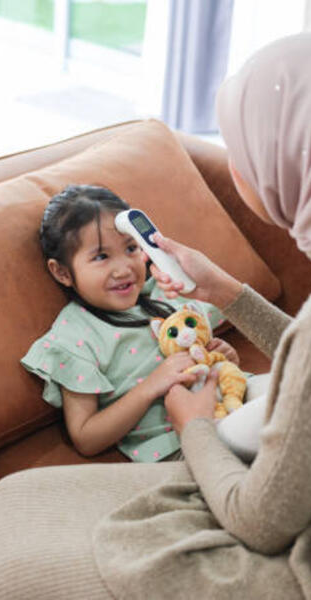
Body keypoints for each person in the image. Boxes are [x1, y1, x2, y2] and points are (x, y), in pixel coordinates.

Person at [0, 32, 311, 599]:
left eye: (243, 147)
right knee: (12, 499)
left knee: (11, 565)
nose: (237, 165)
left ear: (306, 161)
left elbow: (258, 522)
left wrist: (192, 422)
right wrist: (224, 290)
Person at [21, 184, 266, 463]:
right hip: (185, 440)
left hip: (239, 396)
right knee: (295, 417)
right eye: (101, 257)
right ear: (62, 272)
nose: (124, 268)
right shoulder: (76, 336)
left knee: (299, 393)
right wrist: (152, 385)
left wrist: (226, 356)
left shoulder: (165, 292)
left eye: (131, 248)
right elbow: (86, 437)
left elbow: (208, 345)